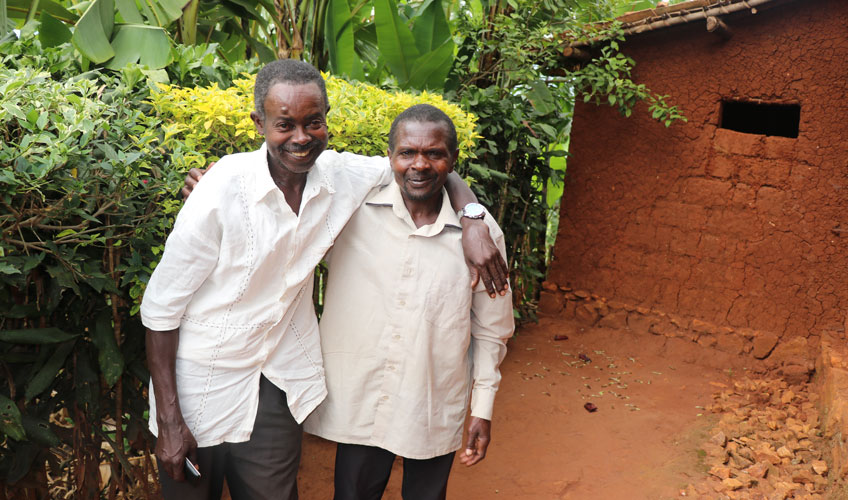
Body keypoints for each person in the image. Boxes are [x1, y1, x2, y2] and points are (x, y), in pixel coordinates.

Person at [141, 59, 507, 500]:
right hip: (201, 383)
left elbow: (427, 163)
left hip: (279, 382)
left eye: (313, 122)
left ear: (325, 120)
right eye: (284, 125)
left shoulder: (341, 179)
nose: (300, 137)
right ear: (259, 123)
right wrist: (169, 423)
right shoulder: (220, 193)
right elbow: (160, 312)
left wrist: (470, 217)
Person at [303, 104, 514, 500]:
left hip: (431, 397)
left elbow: (492, 329)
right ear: (389, 158)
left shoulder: (485, 239)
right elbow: (290, 172)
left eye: (434, 154)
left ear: (453, 160)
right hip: (361, 394)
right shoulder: (351, 209)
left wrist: (482, 407)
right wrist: (214, 181)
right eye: (407, 153)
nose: (419, 164)